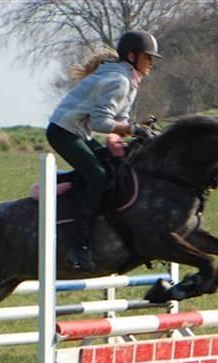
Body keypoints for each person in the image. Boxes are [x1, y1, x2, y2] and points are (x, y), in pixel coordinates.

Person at [46, 30, 161, 273]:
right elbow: (101, 123)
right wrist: (133, 129)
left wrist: (137, 128)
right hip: (63, 132)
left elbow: (119, 121)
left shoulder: (128, 79)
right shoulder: (119, 81)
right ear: (132, 56)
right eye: (148, 58)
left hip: (76, 132)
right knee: (98, 177)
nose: (151, 63)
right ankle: (78, 245)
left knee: (112, 168)